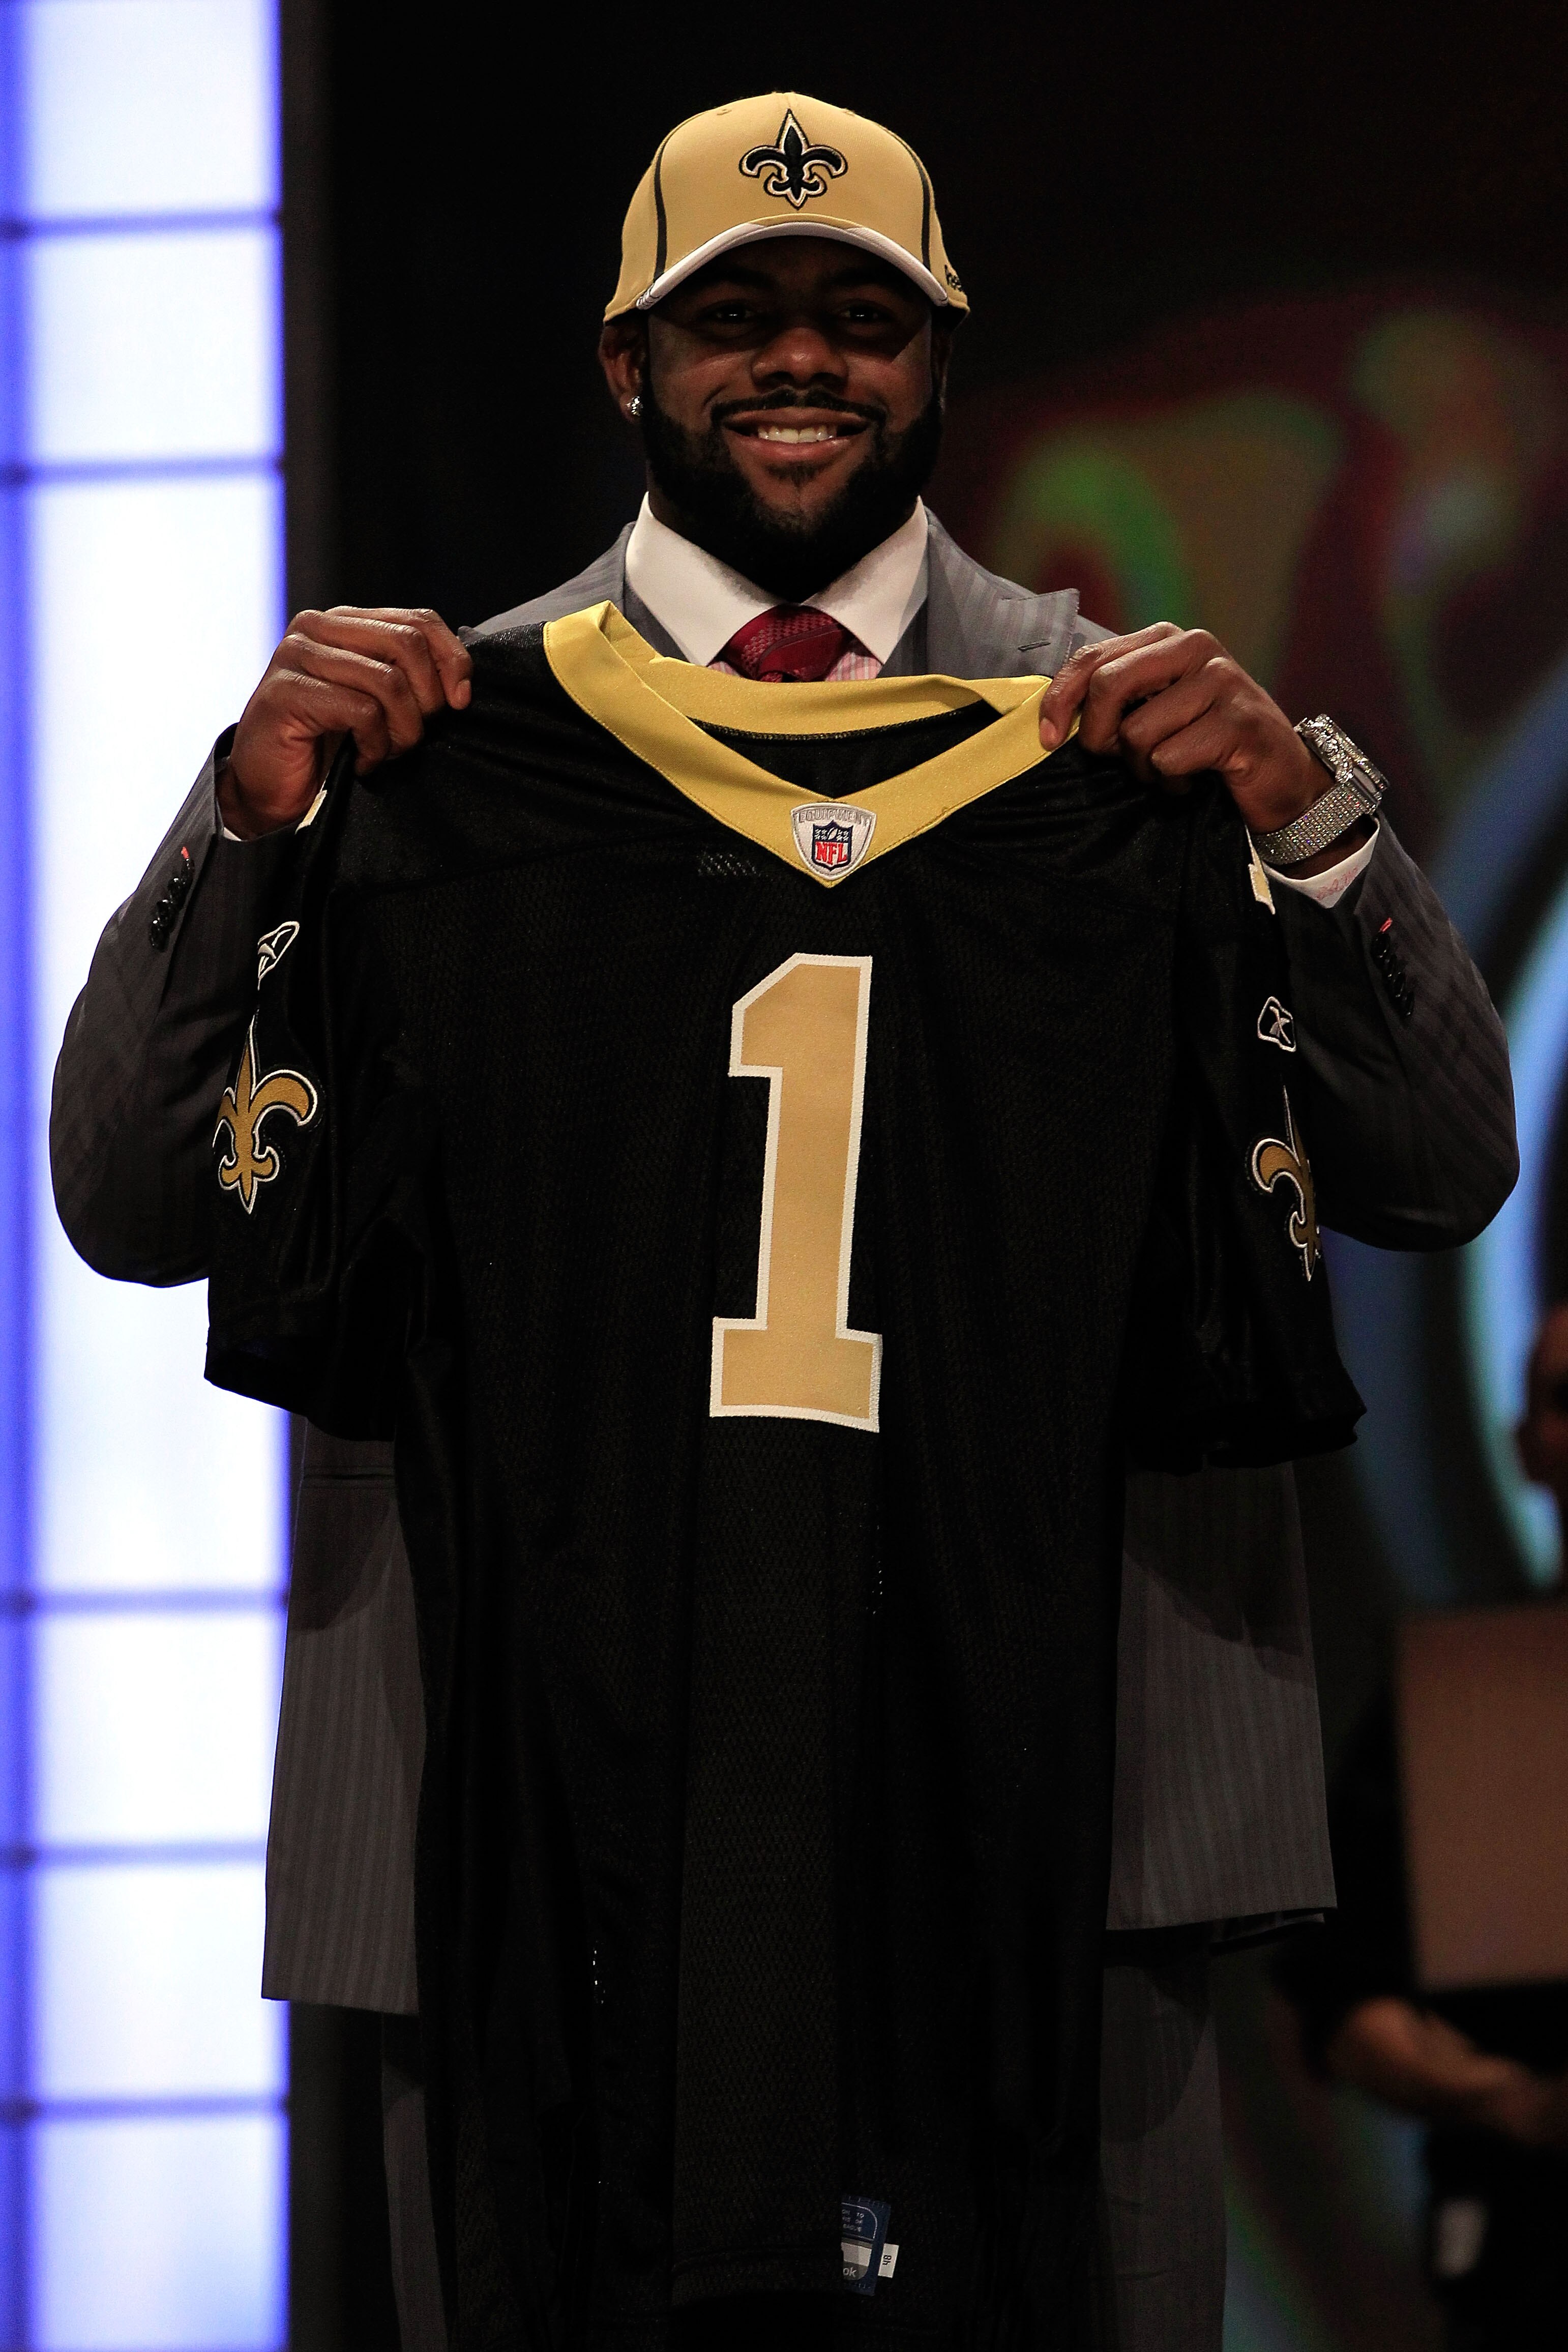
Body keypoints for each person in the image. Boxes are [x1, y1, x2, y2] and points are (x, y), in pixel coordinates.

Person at [50, 92, 1516, 2351]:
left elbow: (1440, 1168)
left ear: (940, 358)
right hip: (523, 1828)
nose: (801, 361)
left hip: (1061, 1827)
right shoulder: (420, 747)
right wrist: (245, 830)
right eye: (735, 315)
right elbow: (133, 1199)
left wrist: (1311, 829)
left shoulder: (1139, 749)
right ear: (625, 361)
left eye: (861, 315)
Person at [1276, 1304, 1568, 2352]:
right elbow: (1339, 1995)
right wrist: (1517, 2102)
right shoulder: (1462, 1708)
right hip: (1529, 2267)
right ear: (1525, 1444)